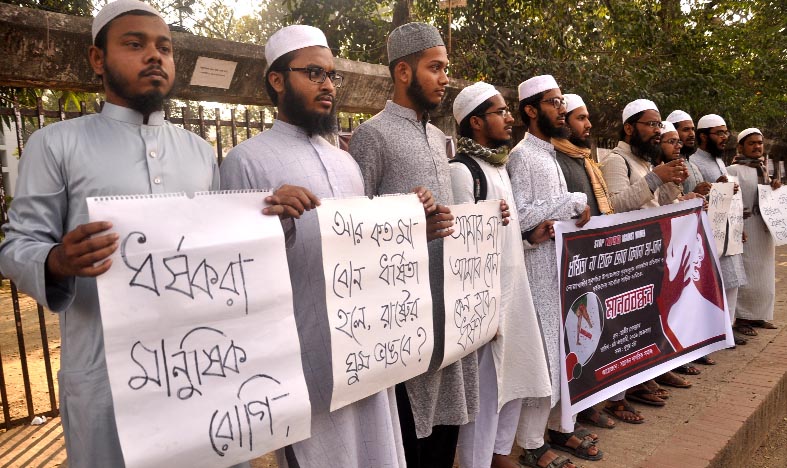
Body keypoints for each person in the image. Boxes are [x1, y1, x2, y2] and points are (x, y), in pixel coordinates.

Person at [0, 2, 259, 466]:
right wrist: (58, 260)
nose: (154, 57)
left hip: (199, 368)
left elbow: (218, 249)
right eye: (135, 45)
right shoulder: (56, 144)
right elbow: (17, 245)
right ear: (98, 60)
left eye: (164, 48)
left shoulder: (199, 152)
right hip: (106, 377)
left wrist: (266, 219)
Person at [219, 25, 411, 468]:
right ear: (277, 79)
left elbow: (368, 246)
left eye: (331, 75)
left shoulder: (346, 162)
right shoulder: (245, 161)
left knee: (377, 448)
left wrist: (416, 224)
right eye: (313, 73)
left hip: (366, 342)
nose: (327, 85)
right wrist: (274, 223)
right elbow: (236, 269)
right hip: (301, 350)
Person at [349, 23, 490, 468]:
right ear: (403, 72)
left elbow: (447, 216)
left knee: (447, 428)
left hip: (449, 306)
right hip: (403, 315)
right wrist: (411, 229)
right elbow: (358, 229)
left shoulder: (437, 138)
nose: (445, 78)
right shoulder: (372, 135)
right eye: (435, 68)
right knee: (410, 432)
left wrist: (485, 220)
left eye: (445, 68)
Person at [449, 82, 552, 468]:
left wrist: (527, 239)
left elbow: (501, 236)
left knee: (515, 381)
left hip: (513, 292)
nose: (509, 118)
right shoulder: (463, 172)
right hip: (486, 300)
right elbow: (464, 247)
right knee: (488, 391)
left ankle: (499, 454)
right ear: (476, 122)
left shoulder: (498, 166)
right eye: (500, 112)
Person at [507, 75, 600, 468]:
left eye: (562, 101)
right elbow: (519, 214)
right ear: (531, 110)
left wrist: (570, 209)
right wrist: (572, 202)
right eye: (553, 102)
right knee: (543, 352)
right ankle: (531, 444)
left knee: (565, 347)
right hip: (535, 270)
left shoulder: (550, 154)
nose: (561, 109)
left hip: (560, 268)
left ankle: (560, 428)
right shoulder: (522, 156)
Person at [598, 99, 690, 421]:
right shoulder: (615, 161)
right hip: (625, 259)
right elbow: (616, 207)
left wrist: (673, 184)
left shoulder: (645, 162)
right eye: (650, 124)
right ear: (629, 128)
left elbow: (656, 205)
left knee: (644, 325)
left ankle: (637, 383)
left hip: (648, 253)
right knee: (621, 332)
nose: (657, 130)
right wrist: (656, 179)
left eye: (658, 124)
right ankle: (615, 398)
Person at [691, 114, 748, 347]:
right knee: (715, 284)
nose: (725, 137)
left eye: (726, 132)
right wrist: (718, 188)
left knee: (731, 281)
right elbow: (698, 196)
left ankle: (728, 329)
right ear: (703, 136)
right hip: (711, 236)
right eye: (719, 133)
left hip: (728, 234)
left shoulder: (719, 160)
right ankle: (716, 333)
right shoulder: (695, 161)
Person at [727, 128, 781, 335]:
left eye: (760, 143)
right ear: (741, 147)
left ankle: (759, 316)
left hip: (764, 230)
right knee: (746, 273)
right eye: (752, 143)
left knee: (764, 274)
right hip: (745, 229)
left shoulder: (763, 168)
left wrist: (774, 186)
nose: (757, 146)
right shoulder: (732, 170)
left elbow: (767, 197)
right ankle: (742, 319)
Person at [554, 93, 614, 217]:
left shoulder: (584, 158)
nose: (588, 124)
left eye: (587, 118)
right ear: (564, 123)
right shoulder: (555, 159)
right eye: (581, 118)